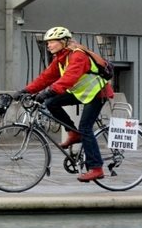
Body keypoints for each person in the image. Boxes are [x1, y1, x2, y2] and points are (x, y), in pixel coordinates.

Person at [13, 26, 114, 182]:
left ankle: (96, 168)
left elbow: (69, 78)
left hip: (97, 93)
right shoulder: (61, 58)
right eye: (47, 43)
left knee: (86, 127)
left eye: (51, 42)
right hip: (82, 94)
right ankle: (73, 134)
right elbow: (45, 78)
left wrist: (49, 91)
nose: (48, 45)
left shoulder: (77, 56)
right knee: (51, 103)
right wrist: (25, 91)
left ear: (63, 41)